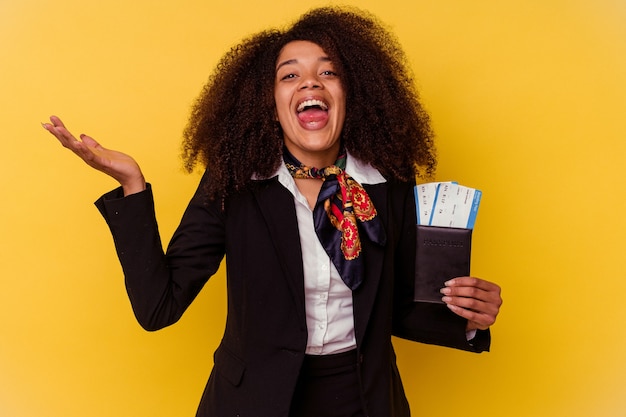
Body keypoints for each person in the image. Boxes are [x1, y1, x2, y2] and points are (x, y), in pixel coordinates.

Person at [43, 6, 502, 417]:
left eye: (329, 72)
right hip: (252, 401)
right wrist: (132, 186)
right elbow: (159, 307)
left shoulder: (389, 184)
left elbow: (395, 308)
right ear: (270, 102)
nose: (310, 83)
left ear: (351, 91)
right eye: (289, 75)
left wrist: (468, 319)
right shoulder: (233, 183)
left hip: (363, 399)